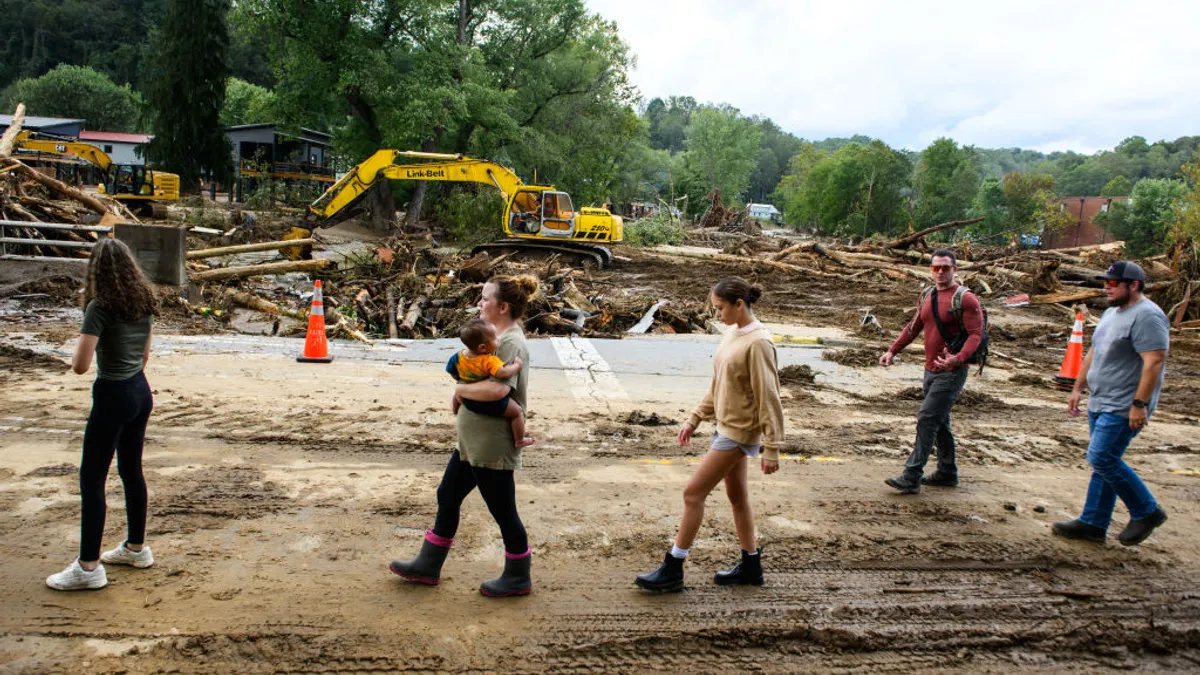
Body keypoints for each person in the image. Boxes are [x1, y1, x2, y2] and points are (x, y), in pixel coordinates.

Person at [391, 275, 538, 597]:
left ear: (502, 306)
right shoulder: (491, 337)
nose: (479, 304)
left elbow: (498, 389)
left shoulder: (510, 342)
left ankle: (518, 576)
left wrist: (460, 389)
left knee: (502, 510)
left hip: (491, 444)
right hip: (472, 443)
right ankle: (428, 565)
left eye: (484, 299)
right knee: (448, 495)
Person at [635, 277, 784, 592]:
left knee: (692, 493)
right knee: (737, 497)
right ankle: (751, 565)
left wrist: (772, 447)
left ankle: (673, 567)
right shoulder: (732, 333)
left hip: (740, 432)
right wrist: (695, 418)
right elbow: (718, 383)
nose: (716, 316)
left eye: (720, 309)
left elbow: (770, 397)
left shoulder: (758, 343)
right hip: (725, 425)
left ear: (739, 305)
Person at [46, 238, 158, 591]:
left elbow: (81, 366)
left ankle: (89, 567)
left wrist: (76, 353)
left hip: (113, 393)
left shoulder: (100, 306)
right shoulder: (145, 301)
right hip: (141, 391)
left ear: (96, 270)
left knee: (92, 479)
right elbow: (143, 356)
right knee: (130, 471)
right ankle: (137, 548)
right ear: (130, 266)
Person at [1055, 261, 1169, 546]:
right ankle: (1094, 522)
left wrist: (1139, 404)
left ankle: (1147, 511)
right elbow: (1094, 350)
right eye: (1106, 281)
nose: (1107, 286)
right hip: (1100, 400)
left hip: (1124, 404)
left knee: (1102, 457)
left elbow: (1154, 361)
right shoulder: (1110, 312)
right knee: (1103, 462)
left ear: (1134, 285)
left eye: (1113, 282)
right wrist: (1078, 387)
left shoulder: (1147, 316)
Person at [879, 249, 983, 494]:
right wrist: (892, 351)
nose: (940, 272)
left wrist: (958, 359)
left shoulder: (966, 299)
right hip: (930, 371)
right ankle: (947, 472)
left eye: (945, 268)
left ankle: (911, 475)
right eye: (935, 268)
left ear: (955, 270)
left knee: (927, 418)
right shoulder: (927, 294)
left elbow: (976, 334)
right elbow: (913, 327)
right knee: (940, 422)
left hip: (952, 373)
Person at [446, 318, 534, 449]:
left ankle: (455, 408)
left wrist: (462, 380)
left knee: (459, 389)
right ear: (482, 347)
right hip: (486, 400)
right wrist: (516, 366)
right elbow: (502, 373)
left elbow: (451, 371)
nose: (499, 339)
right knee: (517, 412)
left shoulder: (458, 357)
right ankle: (519, 439)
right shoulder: (489, 360)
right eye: (495, 338)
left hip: (466, 399)